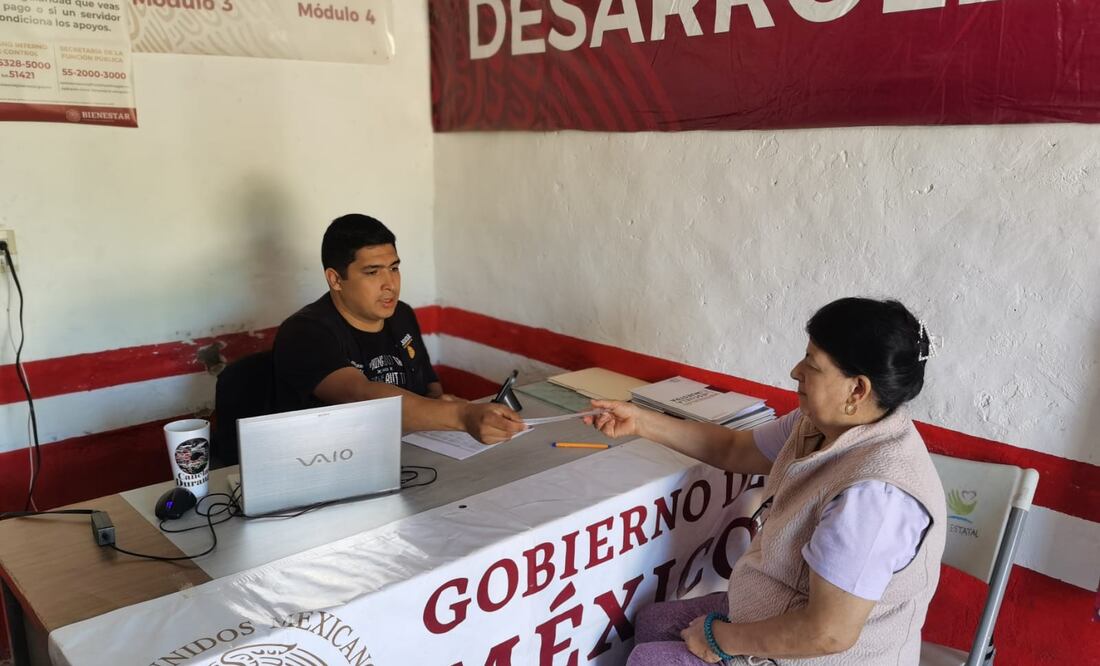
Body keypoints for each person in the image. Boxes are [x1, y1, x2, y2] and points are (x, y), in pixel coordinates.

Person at [587, 298, 945, 665]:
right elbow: (733, 449)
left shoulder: (874, 498)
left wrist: (719, 638)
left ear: (857, 390)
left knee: (650, 660)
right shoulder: (819, 426)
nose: (795, 371)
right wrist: (640, 421)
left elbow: (828, 633)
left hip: (819, 652)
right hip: (775, 604)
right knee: (651, 622)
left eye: (812, 364)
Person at [273, 214, 526, 444]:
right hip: (331, 462)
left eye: (394, 268)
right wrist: (462, 416)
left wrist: (444, 405)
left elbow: (430, 389)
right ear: (336, 279)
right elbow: (361, 395)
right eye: (372, 273)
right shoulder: (305, 332)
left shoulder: (401, 314)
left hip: (413, 453)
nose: (390, 285)